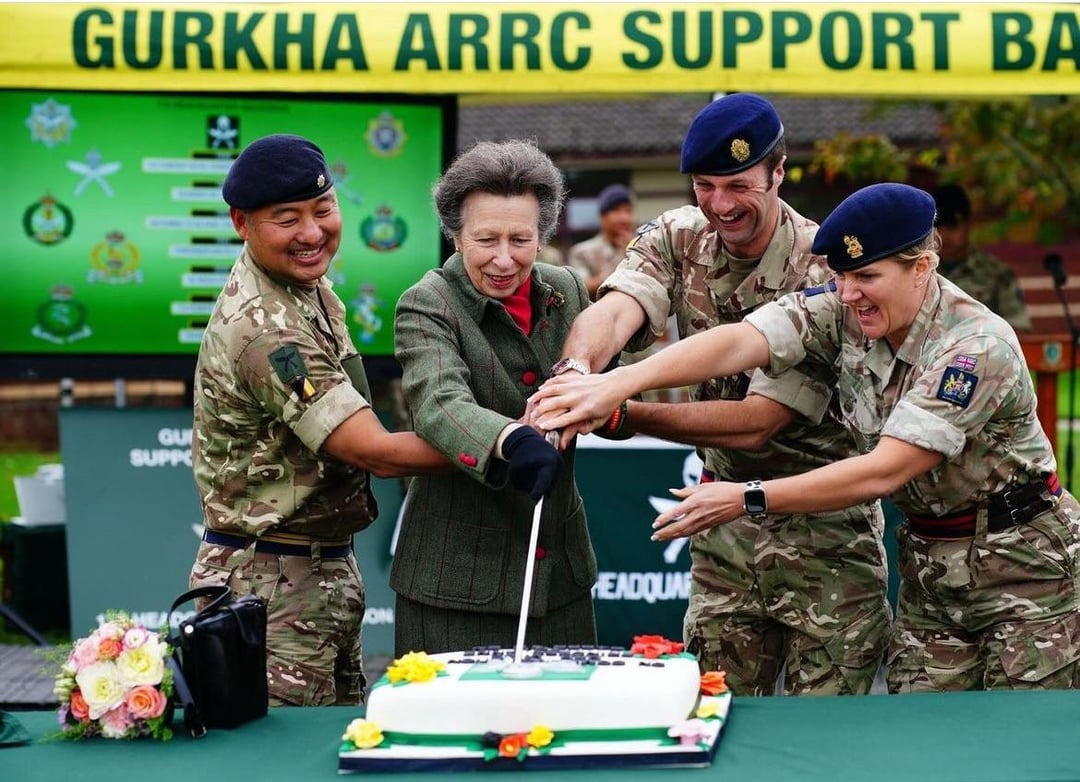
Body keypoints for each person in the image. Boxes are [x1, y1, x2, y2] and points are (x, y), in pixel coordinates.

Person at [535, 182, 1080, 693]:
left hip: (1024, 573)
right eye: (841, 276)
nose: (848, 293)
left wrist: (746, 498)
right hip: (931, 569)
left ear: (921, 268)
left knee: (1019, 737)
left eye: (866, 276)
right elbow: (738, 342)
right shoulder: (843, 310)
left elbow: (884, 469)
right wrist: (616, 383)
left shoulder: (973, 348)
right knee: (922, 739)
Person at [538, 93, 891, 696]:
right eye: (705, 185)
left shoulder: (825, 268)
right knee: (712, 720)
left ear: (778, 172)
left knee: (828, 742)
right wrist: (575, 374)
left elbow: (758, 421)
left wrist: (623, 411)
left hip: (825, 537)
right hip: (724, 539)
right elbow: (619, 307)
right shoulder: (678, 235)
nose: (720, 206)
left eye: (738, 185)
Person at [189, 134, 448, 707]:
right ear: (242, 223)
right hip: (271, 589)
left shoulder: (306, 287)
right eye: (287, 219)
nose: (312, 232)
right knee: (281, 762)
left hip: (314, 571)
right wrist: (501, 442)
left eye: (323, 210)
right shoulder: (266, 327)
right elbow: (372, 451)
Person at [391, 139, 598, 656]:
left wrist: (606, 404)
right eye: (486, 240)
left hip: (561, 580)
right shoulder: (427, 303)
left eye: (521, 240)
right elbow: (438, 403)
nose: (504, 259)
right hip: (455, 585)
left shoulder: (568, 288)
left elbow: (606, 379)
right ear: (456, 236)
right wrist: (511, 439)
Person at [933, 183, 1031, 331]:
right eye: (938, 226)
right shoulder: (919, 272)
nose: (944, 235)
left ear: (969, 224)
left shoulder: (996, 274)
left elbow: (1018, 329)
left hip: (981, 351)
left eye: (952, 226)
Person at [568, 183, 638, 300]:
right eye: (616, 211)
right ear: (602, 216)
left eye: (628, 211)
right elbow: (581, 287)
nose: (624, 218)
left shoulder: (644, 247)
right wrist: (624, 256)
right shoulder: (582, 252)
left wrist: (634, 250)